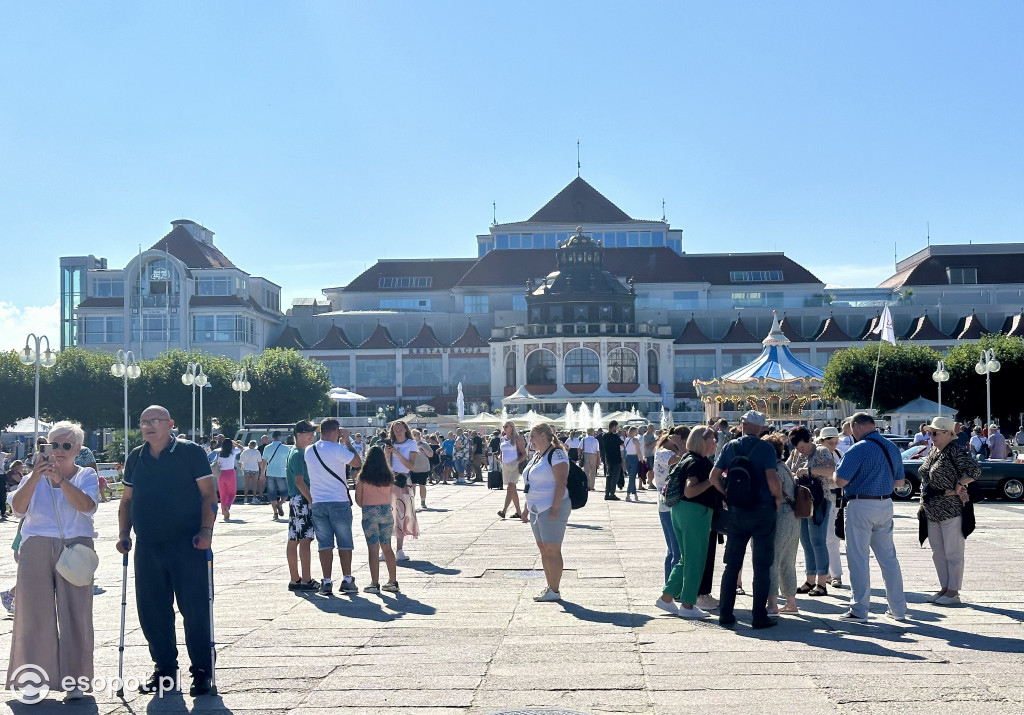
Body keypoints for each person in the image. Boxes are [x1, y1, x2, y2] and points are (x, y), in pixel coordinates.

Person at [117, 406, 217, 696]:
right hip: (148, 545)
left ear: (171, 424)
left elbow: (208, 494)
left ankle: (201, 670)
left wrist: (206, 531)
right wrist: (124, 533)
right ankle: (164, 670)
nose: (149, 426)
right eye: (144, 421)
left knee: (195, 609)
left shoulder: (190, 452)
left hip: (188, 543)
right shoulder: (136, 457)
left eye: (155, 421)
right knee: (152, 611)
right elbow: (126, 501)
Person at [7, 421, 98, 702]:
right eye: (52, 445)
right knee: (33, 613)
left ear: (78, 449)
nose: (58, 450)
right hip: (36, 545)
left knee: (76, 613)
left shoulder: (86, 475)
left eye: (66, 445)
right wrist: (36, 477)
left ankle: (75, 680)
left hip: (75, 545)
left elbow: (87, 506)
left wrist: (60, 480)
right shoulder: (30, 477)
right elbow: (18, 509)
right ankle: (33, 679)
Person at [709, 410, 782, 629]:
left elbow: (714, 476)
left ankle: (726, 614)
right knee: (761, 565)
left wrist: (726, 495)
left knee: (732, 564)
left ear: (742, 424)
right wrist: (777, 497)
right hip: (762, 510)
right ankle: (759, 616)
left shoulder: (730, 446)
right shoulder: (766, 448)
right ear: (761, 428)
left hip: (737, 511)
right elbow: (771, 477)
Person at [834, 412, 907, 623]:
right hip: (885, 503)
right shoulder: (891, 446)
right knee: (888, 559)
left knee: (858, 559)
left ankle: (859, 609)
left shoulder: (859, 448)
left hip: (861, 504)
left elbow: (840, 480)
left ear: (857, 426)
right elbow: (900, 482)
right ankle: (898, 609)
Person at [656, 426, 720, 619]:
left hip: (680, 511)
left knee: (685, 559)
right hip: (695, 513)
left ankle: (666, 598)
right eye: (712, 439)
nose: (715, 442)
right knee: (695, 560)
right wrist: (712, 480)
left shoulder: (686, 458)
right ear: (703, 441)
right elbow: (690, 490)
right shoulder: (698, 462)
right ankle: (688, 604)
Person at [918, 416, 980, 605]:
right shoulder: (934, 451)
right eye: (930, 433)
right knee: (938, 552)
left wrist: (959, 484)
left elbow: (975, 471)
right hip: (931, 509)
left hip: (950, 508)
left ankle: (953, 592)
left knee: (953, 552)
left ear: (947, 434)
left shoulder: (955, 451)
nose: (931, 436)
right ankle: (944, 588)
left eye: (934, 433)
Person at [306, 419, 362, 596]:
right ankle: (347, 580)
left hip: (318, 502)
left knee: (325, 544)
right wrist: (347, 442)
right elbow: (357, 463)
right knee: (344, 542)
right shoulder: (338, 449)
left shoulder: (310, 450)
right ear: (337, 431)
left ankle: (327, 581)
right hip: (338, 501)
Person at [520, 423, 570, 602]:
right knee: (543, 549)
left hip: (551, 507)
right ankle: (550, 586)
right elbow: (530, 484)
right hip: (535, 508)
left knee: (552, 549)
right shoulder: (538, 456)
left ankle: (554, 590)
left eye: (533, 436)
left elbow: (561, 481)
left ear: (543, 436)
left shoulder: (556, 453)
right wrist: (526, 509)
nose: (530, 440)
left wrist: (555, 509)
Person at [788, 426, 836, 597]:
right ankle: (810, 580)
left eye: (803, 447)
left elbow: (831, 469)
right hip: (801, 501)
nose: (801, 450)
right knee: (806, 542)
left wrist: (808, 471)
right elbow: (788, 470)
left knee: (818, 541)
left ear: (809, 440)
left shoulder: (821, 450)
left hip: (820, 500)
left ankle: (822, 583)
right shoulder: (795, 454)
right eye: (797, 448)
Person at [354, 446, 399, 594]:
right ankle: (393, 581)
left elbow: (358, 500)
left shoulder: (363, 477)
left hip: (369, 513)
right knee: (387, 547)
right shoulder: (388, 476)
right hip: (386, 512)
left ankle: (374, 583)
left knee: (373, 549)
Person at [764, 433, 800, 616]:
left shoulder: (775, 471)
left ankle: (772, 604)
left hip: (781, 514)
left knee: (772, 559)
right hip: (793, 516)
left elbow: (773, 493)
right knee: (788, 561)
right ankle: (791, 602)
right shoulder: (784, 466)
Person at [285, 420, 319, 592]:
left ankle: (295, 579)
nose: (312, 435)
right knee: (305, 539)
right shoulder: (299, 454)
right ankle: (306, 579)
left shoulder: (294, 451)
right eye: (308, 432)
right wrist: (311, 500)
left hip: (295, 500)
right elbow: (299, 481)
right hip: (302, 499)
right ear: (298, 434)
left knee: (294, 539)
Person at [653, 431, 685, 582]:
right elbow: (680, 461)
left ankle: (668, 585)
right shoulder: (664, 453)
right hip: (669, 505)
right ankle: (672, 588)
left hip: (665, 504)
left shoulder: (661, 452)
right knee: (676, 551)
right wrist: (680, 445)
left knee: (672, 550)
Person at [385, 421, 419, 561]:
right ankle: (386, 549)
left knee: (401, 514)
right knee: (386, 514)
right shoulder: (389, 444)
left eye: (400, 429)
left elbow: (410, 465)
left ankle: (399, 550)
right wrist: (387, 453)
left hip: (403, 481)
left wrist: (397, 453)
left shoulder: (411, 444)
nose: (398, 432)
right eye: (395, 430)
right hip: (388, 481)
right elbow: (385, 463)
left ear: (406, 429)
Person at [818, 426, 846, 588]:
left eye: (836, 442)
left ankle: (835, 574)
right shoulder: (816, 456)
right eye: (830, 442)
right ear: (822, 441)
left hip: (835, 499)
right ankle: (826, 573)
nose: (834, 444)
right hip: (820, 499)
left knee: (832, 538)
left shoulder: (839, 454)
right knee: (819, 540)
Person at [497, 421, 526, 520]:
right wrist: (499, 457)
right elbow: (501, 453)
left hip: (514, 465)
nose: (504, 428)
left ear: (512, 428)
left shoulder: (516, 438)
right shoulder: (502, 439)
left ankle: (504, 510)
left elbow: (524, 453)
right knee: (513, 489)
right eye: (504, 426)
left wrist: (517, 462)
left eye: (506, 426)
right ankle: (518, 512)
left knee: (510, 487)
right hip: (505, 465)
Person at [261, 431, 290, 520]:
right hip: (282, 473)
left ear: (272, 437)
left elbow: (264, 462)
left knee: (272, 494)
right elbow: (288, 461)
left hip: (270, 473)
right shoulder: (286, 448)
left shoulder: (267, 448)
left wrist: (262, 474)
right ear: (280, 437)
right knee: (285, 493)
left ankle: (275, 513)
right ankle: (280, 504)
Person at [214, 439, 241, 521]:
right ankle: (227, 506)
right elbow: (241, 448)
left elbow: (216, 463)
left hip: (221, 474)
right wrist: (234, 443)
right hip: (230, 473)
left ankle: (224, 512)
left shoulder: (219, 453)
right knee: (232, 493)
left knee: (223, 494)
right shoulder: (232, 452)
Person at [410, 429, 434, 510]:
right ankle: (411, 502)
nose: (418, 436)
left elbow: (430, 454)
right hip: (412, 468)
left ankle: (423, 501)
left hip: (423, 468)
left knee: (422, 485)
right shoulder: (409, 444)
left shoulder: (424, 444)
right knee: (412, 486)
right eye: (415, 434)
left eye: (418, 434)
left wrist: (423, 447)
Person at [601, 421, 625, 501]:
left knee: (609, 476)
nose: (617, 428)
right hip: (616, 459)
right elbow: (623, 444)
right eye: (616, 427)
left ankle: (607, 493)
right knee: (615, 476)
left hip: (608, 458)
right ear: (614, 427)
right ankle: (612, 493)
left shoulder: (604, 436)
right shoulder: (615, 436)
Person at [623, 426, 642, 501]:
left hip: (628, 458)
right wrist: (642, 460)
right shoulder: (635, 440)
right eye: (636, 431)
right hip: (634, 458)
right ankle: (628, 495)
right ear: (633, 432)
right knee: (632, 477)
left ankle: (635, 495)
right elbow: (638, 451)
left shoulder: (626, 439)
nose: (637, 433)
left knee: (631, 477)